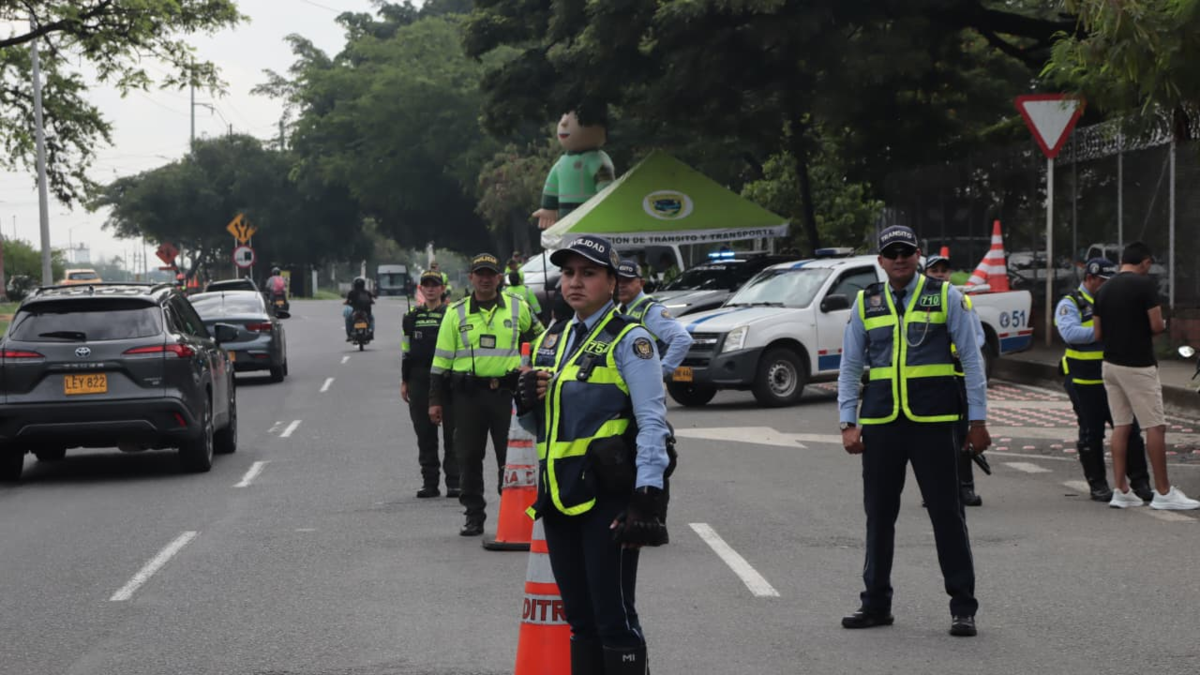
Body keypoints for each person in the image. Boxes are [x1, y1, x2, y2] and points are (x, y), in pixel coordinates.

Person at [516, 234, 670, 674]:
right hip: (560, 495)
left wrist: (647, 496)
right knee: (580, 620)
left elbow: (653, 423)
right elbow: (541, 427)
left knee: (613, 618)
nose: (575, 282)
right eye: (568, 273)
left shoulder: (631, 339)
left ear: (612, 282)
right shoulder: (553, 337)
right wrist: (523, 402)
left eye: (588, 273)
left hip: (609, 496)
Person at [838, 225, 989, 638]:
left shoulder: (946, 296)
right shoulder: (866, 301)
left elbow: (972, 361)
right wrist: (848, 422)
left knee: (947, 515)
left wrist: (977, 421)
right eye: (892, 253)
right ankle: (875, 603)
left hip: (934, 422)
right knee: (879, 517)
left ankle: (963, 607)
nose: (900, 259)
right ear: (881, 261)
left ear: (918, 255)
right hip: (882, 423)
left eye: (906, 251)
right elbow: (850, 365)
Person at [430, 253, 544, 536]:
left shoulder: (518, 307)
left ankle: (512, 512)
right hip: (468, 397)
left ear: (499, 278)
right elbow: (441, 361)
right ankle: (474, 515)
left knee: (510, 456)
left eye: (490, 274)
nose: (485, 279)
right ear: (471, 277)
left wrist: (533, 367)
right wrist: (435, 400)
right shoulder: (455, 313)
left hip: (507, 394)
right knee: (468, 456)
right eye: (479, 274)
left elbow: (542, 339)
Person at [1093, 242, 1199, 510]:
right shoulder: (1144, 285)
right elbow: (1156, 325)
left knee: (1121, 426)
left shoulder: (1103, 289)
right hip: (1138, 365)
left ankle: (1121, 490)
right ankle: (1163, 492)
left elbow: (1097, 333)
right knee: (1155, 426)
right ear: (1146, 262)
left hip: (1110, 364)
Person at [1055, 258, 1152, 502]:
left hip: (1115, 377)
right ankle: (1097, 484)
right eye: (1102, 281)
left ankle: (1140, 482)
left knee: (1130, 430)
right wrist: (1104, 331)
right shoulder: (1071, 303)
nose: (1106, 285)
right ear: (1090, 278)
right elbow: (1070, 333)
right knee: (1091, 432)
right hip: (1083, 380)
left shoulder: (1111, 301)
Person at [923, 254, 985, 507]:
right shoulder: (919, 303)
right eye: (934, 270)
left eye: (944, 270)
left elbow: (978, 336)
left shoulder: (963, 301)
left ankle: (965, 488)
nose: (940, 274)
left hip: (958, 379)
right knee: (931, 439)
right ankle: (933, 490)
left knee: (961, 436)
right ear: (925, 274)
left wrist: (961, 348)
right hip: (931, 382)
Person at [402, 271, 459, 499]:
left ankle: (454, 482)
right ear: (420, 289)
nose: (431, 289)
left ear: (442, 288)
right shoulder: (411, 316)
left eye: (435, 285)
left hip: (448, 379)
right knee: (425, 433)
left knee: (453, 433)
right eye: (426, 285)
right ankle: (430, 482)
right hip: (418, 379)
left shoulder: (452, 314)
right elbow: (406, 351)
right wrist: (404, 380)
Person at [616, 259, 694, 377]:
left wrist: (660, 371)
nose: (621, 285)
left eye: (627, 281)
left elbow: (683, 339)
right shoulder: (622, 307)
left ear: (641, 283)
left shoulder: (650, 310)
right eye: (618, 280)